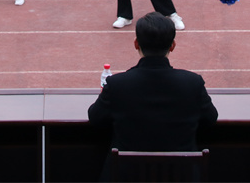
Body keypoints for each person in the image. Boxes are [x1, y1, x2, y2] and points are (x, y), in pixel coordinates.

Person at [87, 12, 217, 156]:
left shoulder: (117, 84)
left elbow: (96, 119)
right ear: (172, 45)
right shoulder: (193, 83)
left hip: (126, 175)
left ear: (136, 44)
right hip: (182, 175)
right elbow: (210, 119)